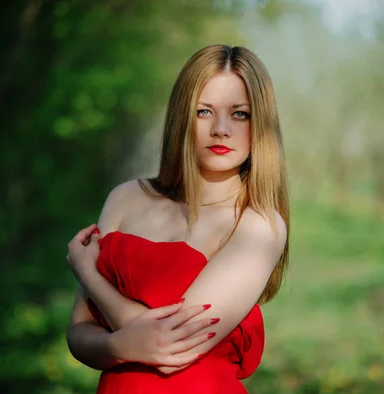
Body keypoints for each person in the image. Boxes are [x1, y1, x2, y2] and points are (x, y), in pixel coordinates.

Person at [65, 44, 289, 394]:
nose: (220, 129)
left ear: (260, 123)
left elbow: (173, 346)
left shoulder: (258, 225)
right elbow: (78, 333)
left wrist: (88, 274)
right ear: (181, 116)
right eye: (204, 112)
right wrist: (119, 347)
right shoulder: (125, 198)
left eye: (239, 114)